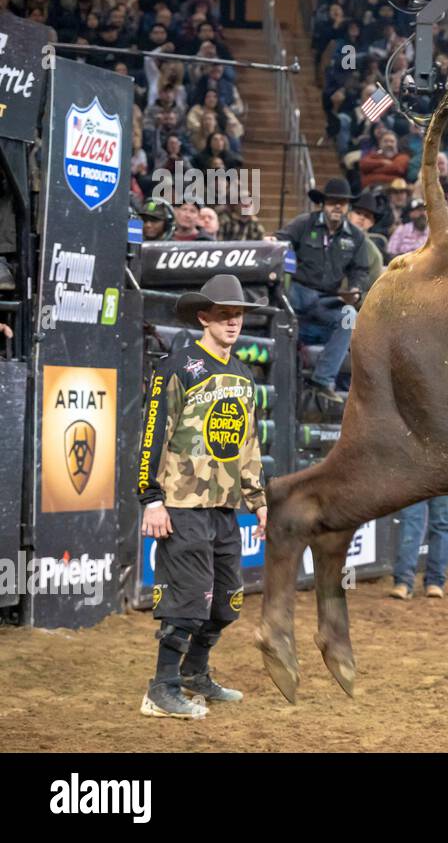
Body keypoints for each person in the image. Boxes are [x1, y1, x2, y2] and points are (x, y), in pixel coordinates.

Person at [137, 274, 267, 719]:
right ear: (204, 317)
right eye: (225, 314)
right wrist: (151, 498)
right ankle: (161, 688)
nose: (234, 322)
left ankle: (195, 674)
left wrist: (260, 500)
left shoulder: (244, 374)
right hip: (182, 505)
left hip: (226, 507)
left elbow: (248, 445)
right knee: (187, 601)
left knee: (227, 601)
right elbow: (154, 434)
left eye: (239, 314)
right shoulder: (177, 367)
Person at [276, 178, 373, 401]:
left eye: (342, 202)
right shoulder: (304, 223)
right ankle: (278, 376)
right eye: (332, 202)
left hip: (327, 300)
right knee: (280, 306)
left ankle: (323, 380)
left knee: (350, 316)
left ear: (348, 207)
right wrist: (284, 258)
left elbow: (360, 270)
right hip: (297, 292)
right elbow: (281, 241)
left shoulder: (356, 237)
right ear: (323, 204)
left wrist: (356, 289)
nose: (337, 206)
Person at [390, 495, 448, 600]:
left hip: (443, 479)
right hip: (414, 479)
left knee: (441, 522)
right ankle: (403, 582)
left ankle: (435, 582)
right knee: (410, 521)